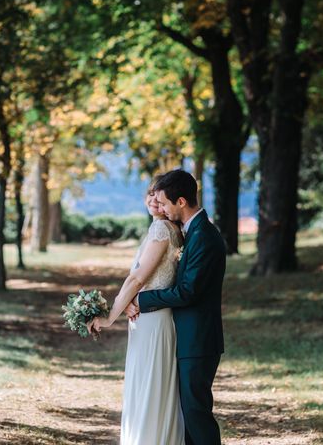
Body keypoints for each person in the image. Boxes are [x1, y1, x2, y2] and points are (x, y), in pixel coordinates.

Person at [125, 169, 225, 445]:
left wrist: (143, 300)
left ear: (181, 201)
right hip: (188, 338)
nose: (163, 210)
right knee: (188, 416)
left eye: (166, 204)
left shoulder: (204, 236)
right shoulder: (190, 231)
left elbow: (187, 292)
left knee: (196, 414)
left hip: (199, 340)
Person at [88, 179, 185, 445]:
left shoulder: (160, 230)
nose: (153, 200)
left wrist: (109, 317)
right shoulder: (169, 228)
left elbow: (136, 279)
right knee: (148, 385)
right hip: (151, 316)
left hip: (152, 321)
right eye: (150, 194)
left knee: (149, 388)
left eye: (159, 196)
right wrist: (131, 302)